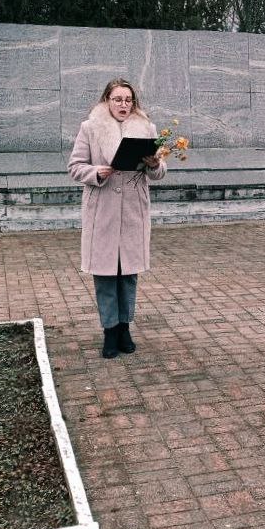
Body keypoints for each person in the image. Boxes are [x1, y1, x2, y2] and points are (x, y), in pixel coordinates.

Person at [67, 79, 165, 359]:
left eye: (128, 100)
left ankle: (125, 328)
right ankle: (110, 331)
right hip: (104, 210)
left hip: (133, 211)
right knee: (106, 275)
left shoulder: (147, 129)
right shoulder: (90, 128)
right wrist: (96, 172)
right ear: (106, 100)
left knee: (128, 275)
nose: (123, 105)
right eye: (117, 99)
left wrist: (156, 164)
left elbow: (157, 173)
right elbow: (75, 167)